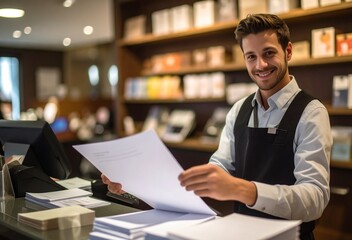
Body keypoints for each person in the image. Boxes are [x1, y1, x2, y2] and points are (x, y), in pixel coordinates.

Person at [103, 13, 332, 240]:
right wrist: (136, 182)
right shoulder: (239, 110)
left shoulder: (311, 113)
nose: (260, 64)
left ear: (288, 51)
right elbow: (218, 169)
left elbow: (315, 198)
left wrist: (242, 190)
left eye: (269, 53)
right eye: (250, 56)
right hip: (241, 234)